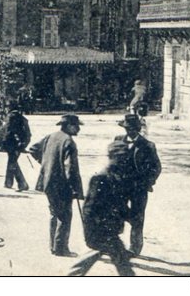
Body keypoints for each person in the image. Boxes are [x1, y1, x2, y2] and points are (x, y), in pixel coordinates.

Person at [72, 141, 136, 277]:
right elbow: (89, 208)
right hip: (99, 230)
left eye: (125, 157)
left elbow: (119, 204)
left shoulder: (118, 177)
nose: (123, 160)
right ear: (111, 157)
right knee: (121, 261)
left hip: (110, 229)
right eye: (119, 157)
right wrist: (90, 230)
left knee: (114, 259)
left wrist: (131, 217)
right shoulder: (100, 178)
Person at [35, 114, 84, 257]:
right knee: (65, 216)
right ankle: (61, 249)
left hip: (48, 182)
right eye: (76, 126)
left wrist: (48, 165)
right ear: (69, 126)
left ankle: (53, 246)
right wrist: (74, 188)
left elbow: (33, 149)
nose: (78, 129)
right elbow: (70, 168)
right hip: (62, 185)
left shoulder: (51, 136)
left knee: (54, 214)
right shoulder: (68, 142)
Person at [114, 113, 161, 256]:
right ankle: (114, 245)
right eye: (128, 128)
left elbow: (156, 167)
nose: (130, 131)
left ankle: (135, 247)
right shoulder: (117, 141)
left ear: (138, 129)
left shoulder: (148, 145)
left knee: (137, 217)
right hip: (120, 186)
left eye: (133, 128)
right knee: (116, 213)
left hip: (138, 188)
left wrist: (147, 182)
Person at [1, 101, 31, 192]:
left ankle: (22, 183)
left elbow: (8, 131)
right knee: (12, 161)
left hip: (12, 143)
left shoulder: (10, 117)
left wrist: (2, 143)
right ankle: (8, 182)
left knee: (12, 163)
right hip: (21, 143)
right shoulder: (21, 117)